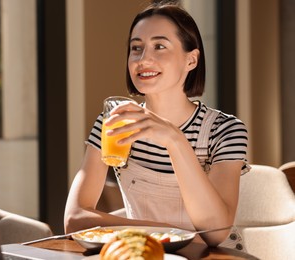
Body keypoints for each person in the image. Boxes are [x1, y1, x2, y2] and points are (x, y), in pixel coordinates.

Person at [64, 1, 250, 248]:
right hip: (144, 251)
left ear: (192, 60)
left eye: (159, 46)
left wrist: (174, 139)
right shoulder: (113, 123)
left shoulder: (225, 130)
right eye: (136, 48)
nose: (143, 59)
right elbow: (74, 219)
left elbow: (215, 232)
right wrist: (166, 232)